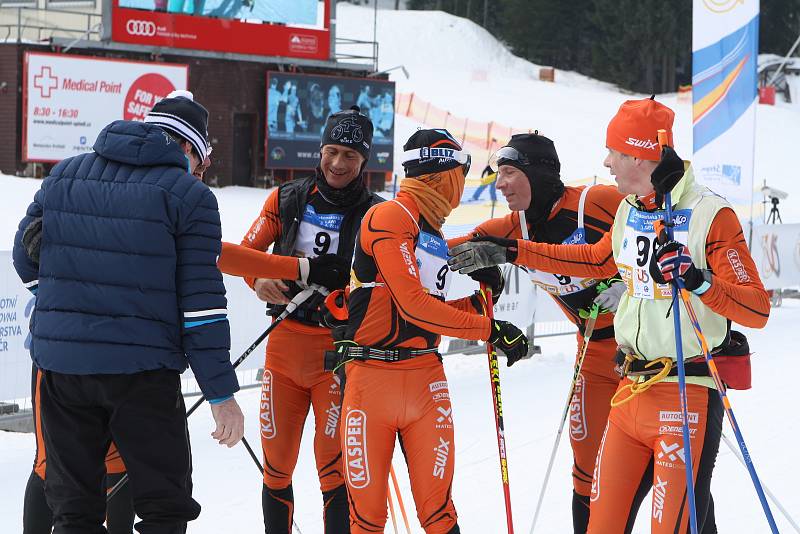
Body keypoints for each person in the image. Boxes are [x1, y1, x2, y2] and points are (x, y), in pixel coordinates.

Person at [448, 97, 769, 533]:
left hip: (684, 389)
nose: (606, 161)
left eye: (614, 152)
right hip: (628, 384)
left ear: (639, 154)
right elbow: (596, 260)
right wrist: (512, 251)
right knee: (598, 515)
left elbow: (756, 308)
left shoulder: (709, 214)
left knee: (674, 520)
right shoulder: (631, 207)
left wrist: (697, 280)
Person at [12, 90, 245, 534]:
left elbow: (26, 257)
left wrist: (71, 302)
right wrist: (220, 395)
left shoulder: (64, 174)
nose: (202, 171)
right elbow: (202, 308)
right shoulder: (189, 196)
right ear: (186, 148)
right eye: (203, 159)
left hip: (62, 371)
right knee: (164, 507)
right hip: (141, 376)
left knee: (74, 512)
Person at [336, 128, 529, 534]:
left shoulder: (432, 233)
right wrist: (489, 328)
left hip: (425, 381)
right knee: (367, 520)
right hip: (371, 383)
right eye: (461, 171)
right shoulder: (390, 216)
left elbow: (429, 309)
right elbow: (411, 303)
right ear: (442, 174)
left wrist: (478, 299)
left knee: (439, 513)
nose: (462, 184)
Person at [448, 132, 627, 533]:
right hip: (593, 357)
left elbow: (657, 234)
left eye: (510, 172)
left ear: (539, 174)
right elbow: (445, 251)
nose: (501, 183)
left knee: (655, 468)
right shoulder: (513, 228)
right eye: (498, 174)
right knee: (584, 468)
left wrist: (631, 282)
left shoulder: (593, 203)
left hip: (643, 355)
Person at [238, 105, 382, 534]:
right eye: (332, 151)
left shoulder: (378, 213)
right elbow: (245, 253)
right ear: (320, 149)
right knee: (277, 466)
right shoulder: (286, 198)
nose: (338, 164)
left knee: (333, 469)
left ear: (364, 161)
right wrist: (257, 277)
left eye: (350, 157)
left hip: (339, 355)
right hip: (285, 347)